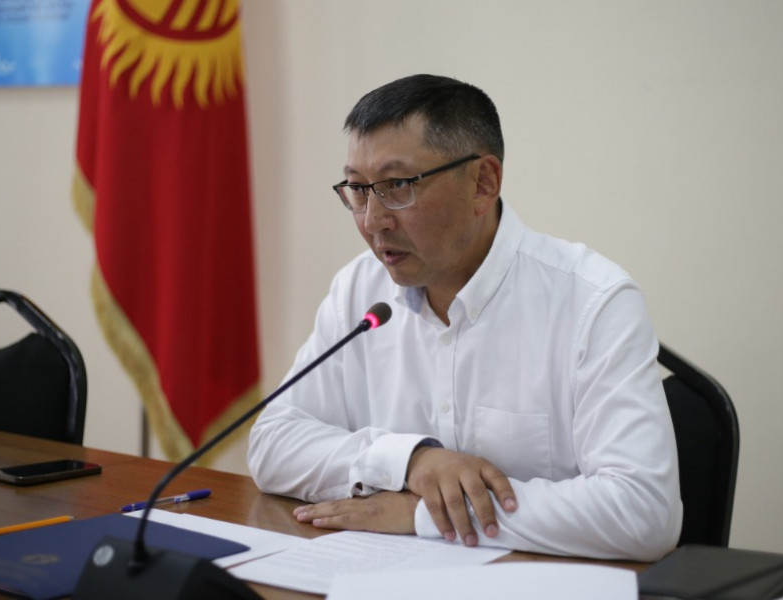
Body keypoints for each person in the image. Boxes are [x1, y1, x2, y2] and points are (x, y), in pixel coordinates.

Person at [247, 74, 682, 561]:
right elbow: (273, 443)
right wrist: (411, 461)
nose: (372, 220)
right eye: (359, 189)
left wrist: (422, 513)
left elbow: (643, 511)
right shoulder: (359, 290)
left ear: (482, 183)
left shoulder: (592, 301)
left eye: (397, 186)